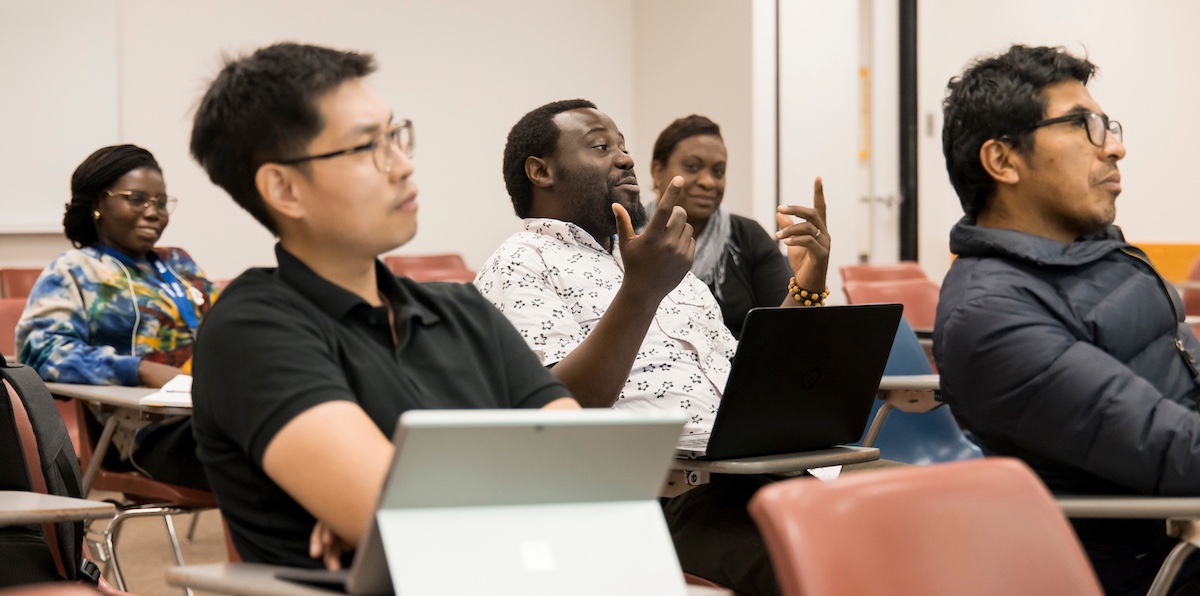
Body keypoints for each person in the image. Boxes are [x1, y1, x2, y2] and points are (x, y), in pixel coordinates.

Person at [187, 43, 578, 569]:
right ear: (283, 188)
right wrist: (411, 511)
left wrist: (413, 502)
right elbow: (420, 532)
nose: (402, 165)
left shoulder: (465, 309)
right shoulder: (251, 328)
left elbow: (588, 476)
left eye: (395, 136)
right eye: (368, 146)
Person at [474, 99, 832, 596]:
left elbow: (752, 382)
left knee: (910, 532)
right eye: (601, 147)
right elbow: (559, 415)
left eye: (624, 146)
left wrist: (806, 286)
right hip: (659, 500)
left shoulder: (661, 263)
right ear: (541, 171)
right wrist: (640, 292)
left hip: (753, 473)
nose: (624, 158)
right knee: (828, 568)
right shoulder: (520, 263)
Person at [935, 44, 1200, 595]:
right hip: (1139, 571)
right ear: (1003, 161)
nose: (1116, 148)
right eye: (1085, 126)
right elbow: (1176, 450)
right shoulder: (992, 318)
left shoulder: (1099, 255)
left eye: (1108, 125)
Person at [16, 144, 218, 490]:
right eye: (136, 199)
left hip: (216, 411)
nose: (153, 212)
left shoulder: (179, 264)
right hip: (145, 436)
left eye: (160, 202)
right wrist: (140, 369)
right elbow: (40, 352)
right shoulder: (76, 270)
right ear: (98, 203)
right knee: (269, 457)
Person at [649, 115, 790, 338]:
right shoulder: (627, 238)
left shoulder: (748, 237)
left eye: (718, 171)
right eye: (693, 167)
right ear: (657, 171)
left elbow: (787, 331)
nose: (708, 182)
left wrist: (810, 281)